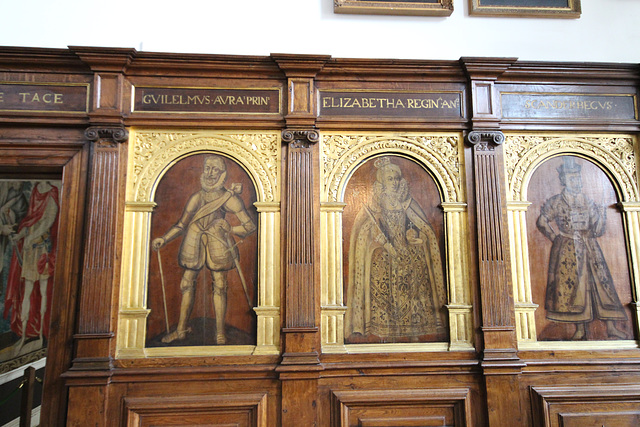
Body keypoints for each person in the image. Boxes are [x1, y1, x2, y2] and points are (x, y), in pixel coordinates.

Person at [152, 155, 256, 344]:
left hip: (217, 241)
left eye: (214, 169)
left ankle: (219, 333)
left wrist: (231, 229)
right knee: (186, 283)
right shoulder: (197, 197)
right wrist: (164, 239)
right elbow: (181, 224)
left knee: (220, 284)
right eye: (207, 168)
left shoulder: (229, 199)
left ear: (222, 173)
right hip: (194, 238)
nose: (209, 173)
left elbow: (250, 227)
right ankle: (181, 330)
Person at [345, 157, 446, 342]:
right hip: (383, 259)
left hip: (407, 257)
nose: (394, 183)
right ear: (381, 184)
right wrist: (380, 245)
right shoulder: (371, 208)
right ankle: (386, 333)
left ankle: (413, 332)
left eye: (396, 179)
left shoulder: (409, 204)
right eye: (389, 179)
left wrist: (416, 237)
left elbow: (424, 231)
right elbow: (363, 238)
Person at [537, 156, 627, 340]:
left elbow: (598, 229)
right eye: (572, 179)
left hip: (589, 246)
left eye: (578, 178)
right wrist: (556, 238)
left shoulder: (588, 201)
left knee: (602, 284)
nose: (576, 182)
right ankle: (580, 329)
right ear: (564, 181)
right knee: (576, 288)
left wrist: (601, 214)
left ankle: (611, 326)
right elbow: (542, 221)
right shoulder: (556, 201)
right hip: (568, 248)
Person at [3, 181, 59, 355]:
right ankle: (24, 335)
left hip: (41, 250)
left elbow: (47, 222)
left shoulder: (52, 193)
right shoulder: (35, 190)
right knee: (26, 292)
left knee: (43, 293)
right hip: (29, 252)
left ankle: (42, 337)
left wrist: (31, 238)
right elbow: (30, 221)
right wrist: (19, 235)